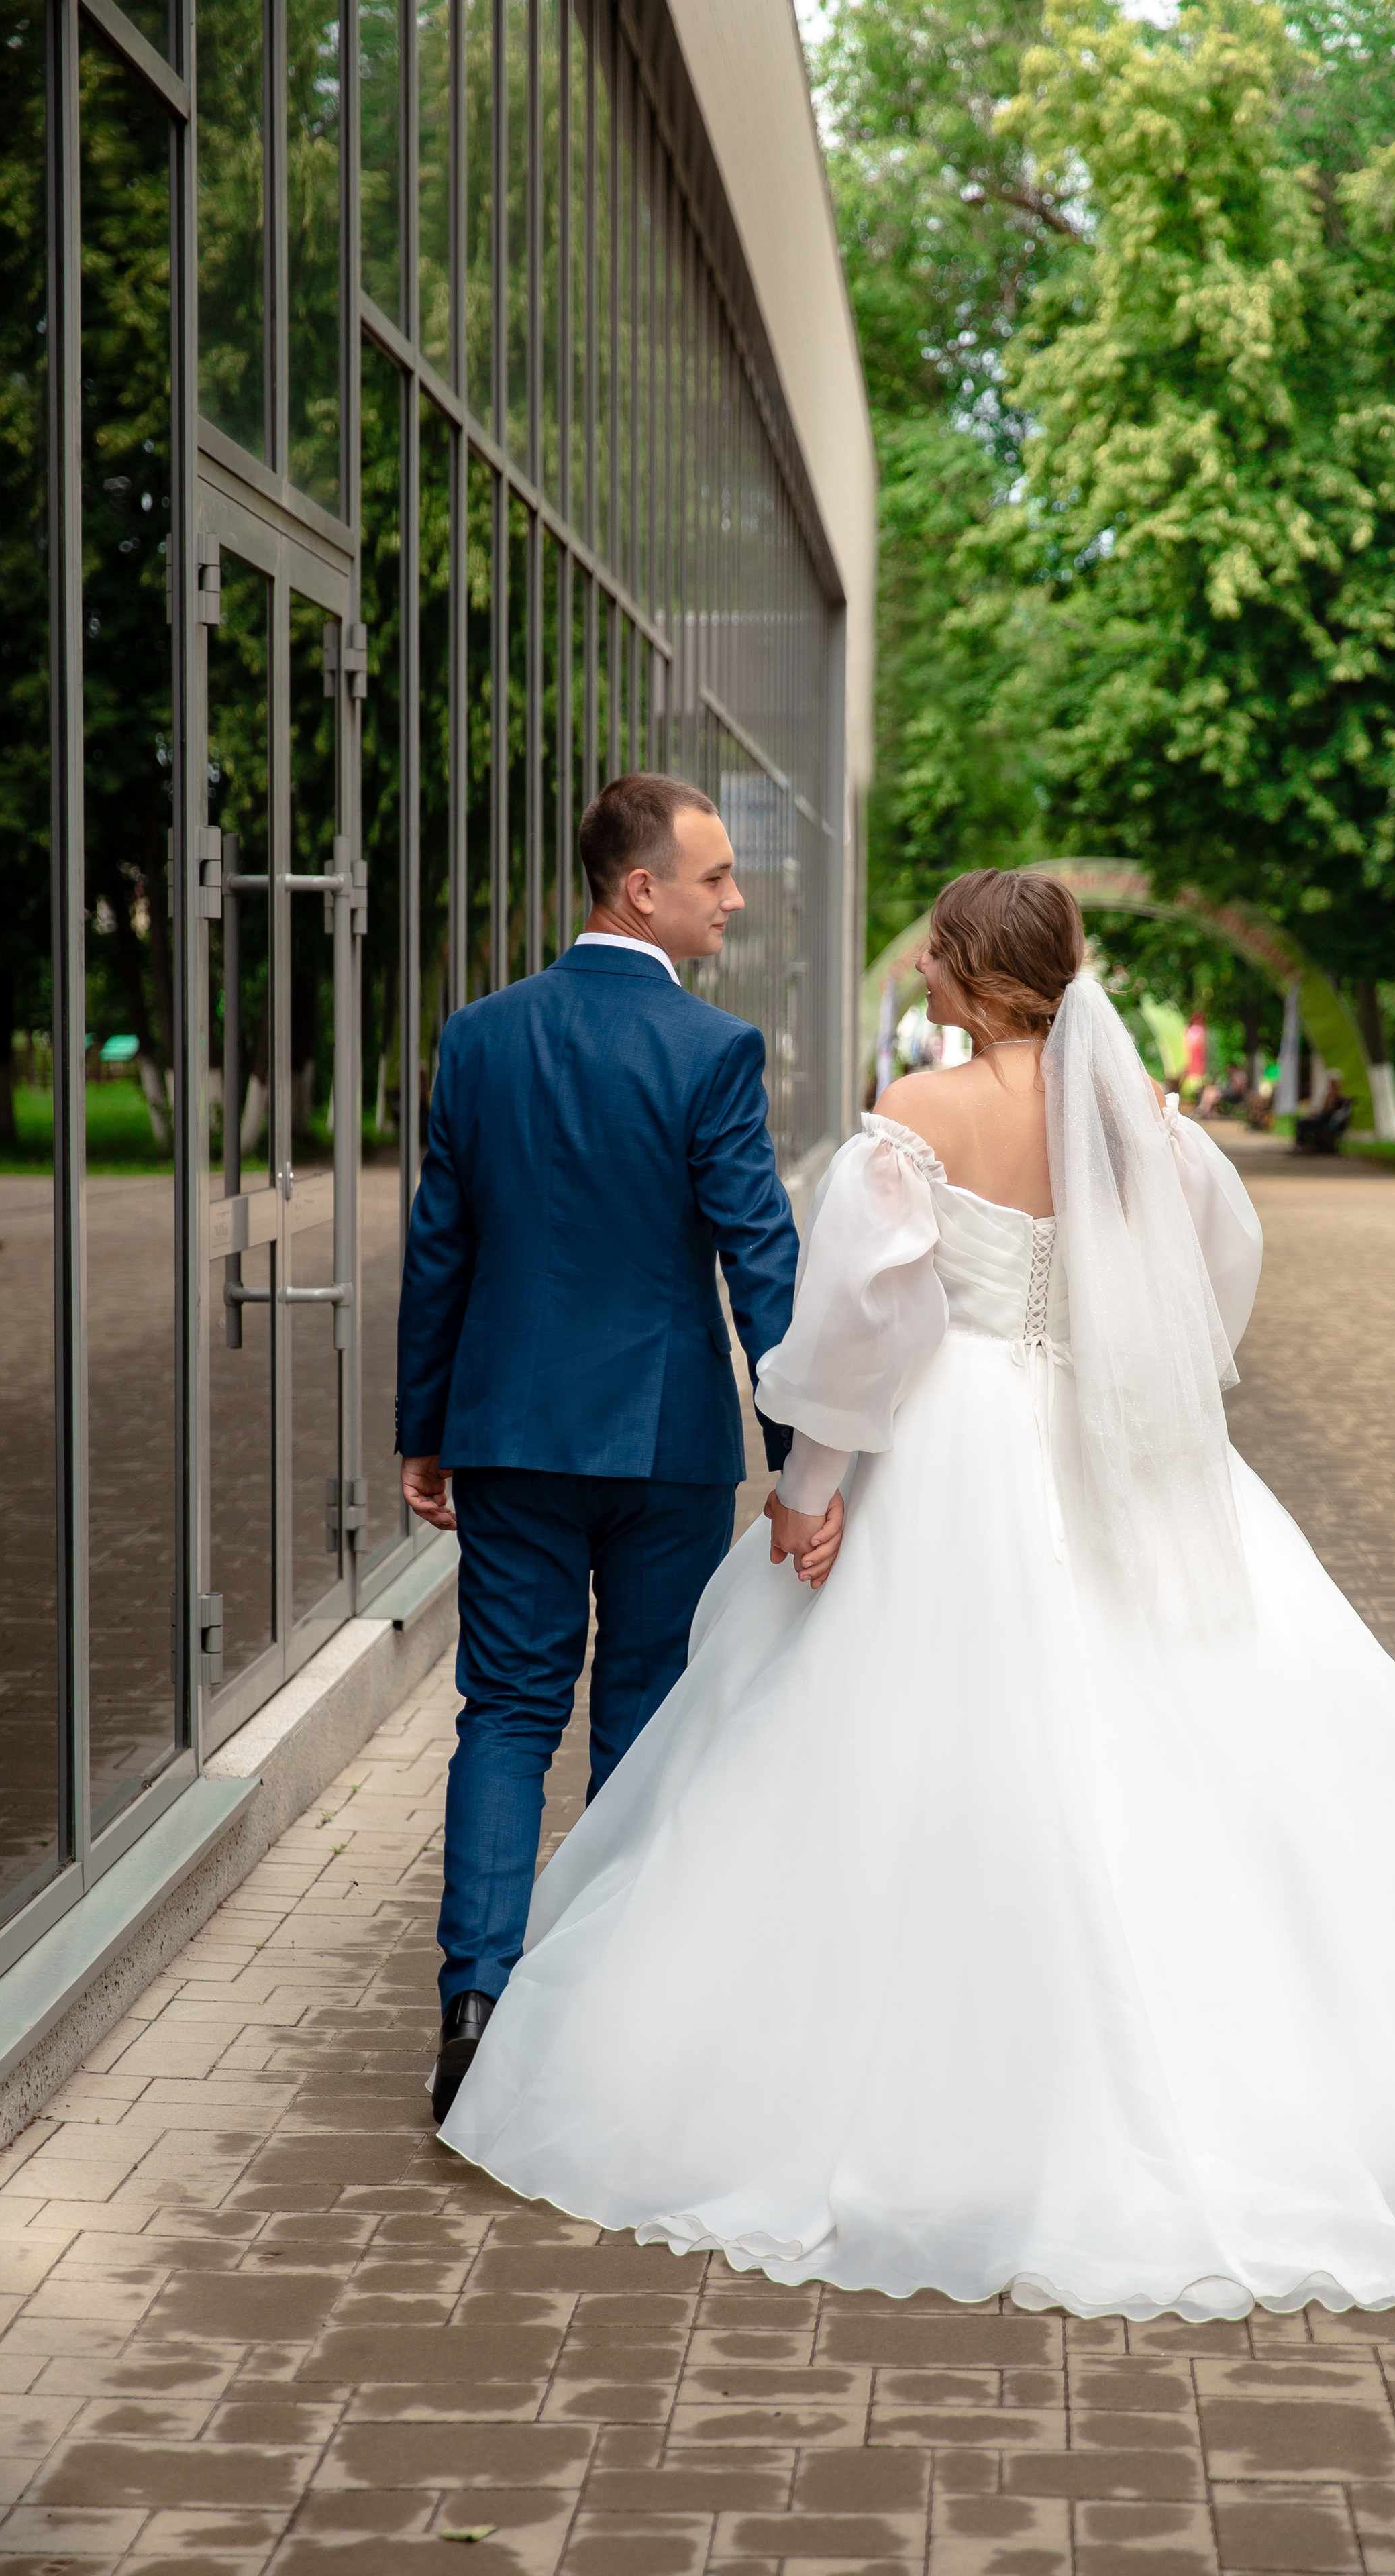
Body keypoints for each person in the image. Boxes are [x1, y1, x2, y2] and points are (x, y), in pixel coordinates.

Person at [440, 869, 1395, 2321]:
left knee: (900, 1739)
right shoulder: (1144, 1125)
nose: (917, 960)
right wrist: (1137, 1389)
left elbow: (863, 1332)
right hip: (1118, 1440)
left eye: (934, 946)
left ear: (978, 975)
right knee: (1198, 1732)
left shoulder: (915, 1124)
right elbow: (1216, 1272)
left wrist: (807, 1491)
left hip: (950, 1442)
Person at [397, 773, 842, 2123]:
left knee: (508, 1709)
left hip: (512, 1434)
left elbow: (440, 1251)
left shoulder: (478, 1038)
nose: (735, 898)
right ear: (638, 888)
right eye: (714, 876)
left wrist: (423, 1430)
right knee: (644, 1710)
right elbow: (759, 1262)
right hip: (663, 1446)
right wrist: (798, 1460)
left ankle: (475, 1999)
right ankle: (605, 2013)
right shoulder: (707, 1053)